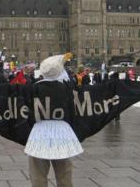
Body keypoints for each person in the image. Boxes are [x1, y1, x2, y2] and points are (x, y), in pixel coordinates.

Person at [25, 54, 83, 187]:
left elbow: (26, 112)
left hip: (38, 135)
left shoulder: (33, 89)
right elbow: (72, 113)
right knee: (64, 175)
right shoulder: (66, 89)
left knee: (38, 175)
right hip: (62, 135)